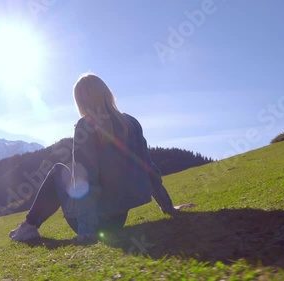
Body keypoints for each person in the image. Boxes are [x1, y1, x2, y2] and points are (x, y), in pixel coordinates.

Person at [10, 73, 185, 243]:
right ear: (107, 93)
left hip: (93, 224)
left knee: (58, 170)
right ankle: (28, 226)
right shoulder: (131, 123)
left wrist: (86, 230)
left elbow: (86, 181)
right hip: (118, 219)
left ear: (81, 101)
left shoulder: (85, 126)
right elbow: (149, 168)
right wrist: (168, 207)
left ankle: (28, 227)